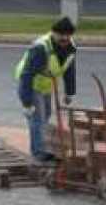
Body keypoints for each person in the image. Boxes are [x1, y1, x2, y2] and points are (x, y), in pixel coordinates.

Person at [14, 17, 77, 163]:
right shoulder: (40, 48)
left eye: (67, 35)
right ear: (53, 33)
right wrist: (27, 103)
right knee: (38, 118)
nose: (64, 38)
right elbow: (26, 75)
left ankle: (42, 145)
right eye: (61, 35)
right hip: (32, 85)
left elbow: (69, 70)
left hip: (46, 85)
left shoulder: (71, 47)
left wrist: (69, 92)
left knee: (46, 115)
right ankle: (39, 153)